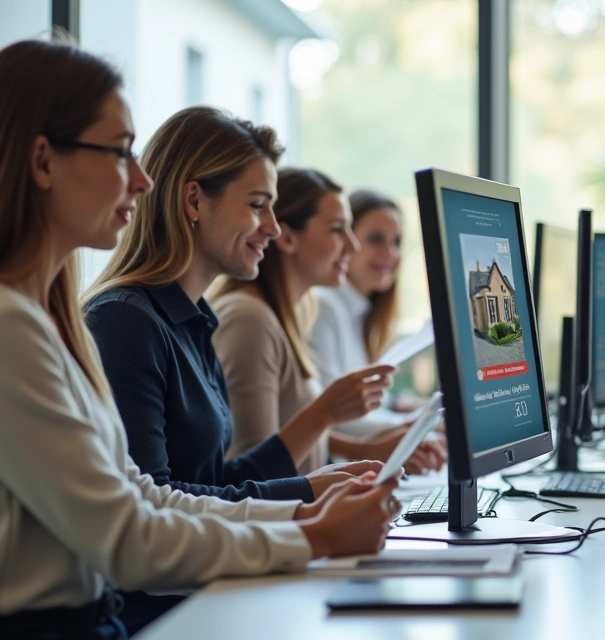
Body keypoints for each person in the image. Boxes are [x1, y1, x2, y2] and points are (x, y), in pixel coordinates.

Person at [0, 39, 397, 640]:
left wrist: (301, 510)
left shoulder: (54, 321)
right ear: (44, 161)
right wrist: (311, 534)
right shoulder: (37, 326)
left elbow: (141, 494)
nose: (140, 180)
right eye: (118, 154)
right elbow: (129, 537)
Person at [85, 107, 389, 505]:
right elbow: (148, 503)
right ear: (194, 200)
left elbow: (216, 481)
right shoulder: (125, 322)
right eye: (257, 205)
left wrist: (324, 479)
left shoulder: (194, 321)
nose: (273, 228)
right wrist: (306, 492)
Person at [210, 168, 443, 473]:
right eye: (337, 230)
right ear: (288, 237)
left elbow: (288, 442)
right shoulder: (250, 318)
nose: (352, 246)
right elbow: (254, 475)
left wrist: (366, 454)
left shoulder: (294, 313)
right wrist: (358, 457)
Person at [308, 189, 446, 470]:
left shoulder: (359, 314)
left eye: (396, 242)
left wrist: (398, 407)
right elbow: (335, 414)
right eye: (376, 239)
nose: (391, 253)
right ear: (346, 242)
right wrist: (415, 425)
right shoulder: (324, 306)